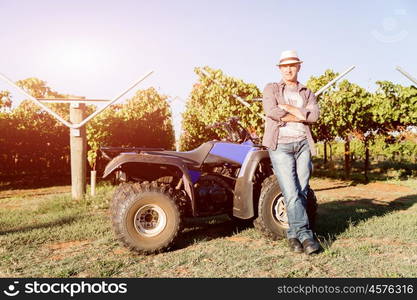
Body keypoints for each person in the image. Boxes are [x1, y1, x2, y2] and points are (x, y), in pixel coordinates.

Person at [262, 50, 320, 255]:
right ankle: (305, 235)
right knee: (291, 192)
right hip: (280, 146)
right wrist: (300, 114)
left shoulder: (307, 92)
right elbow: (271, 111)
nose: (288, 69)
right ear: (280, 69)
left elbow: (314, 117)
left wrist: (290, 110)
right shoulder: (271, 88)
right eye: (284, 66)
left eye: (292, 65)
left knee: (302, 191)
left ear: (299, 67)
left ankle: (293, 235)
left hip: (303, 144)